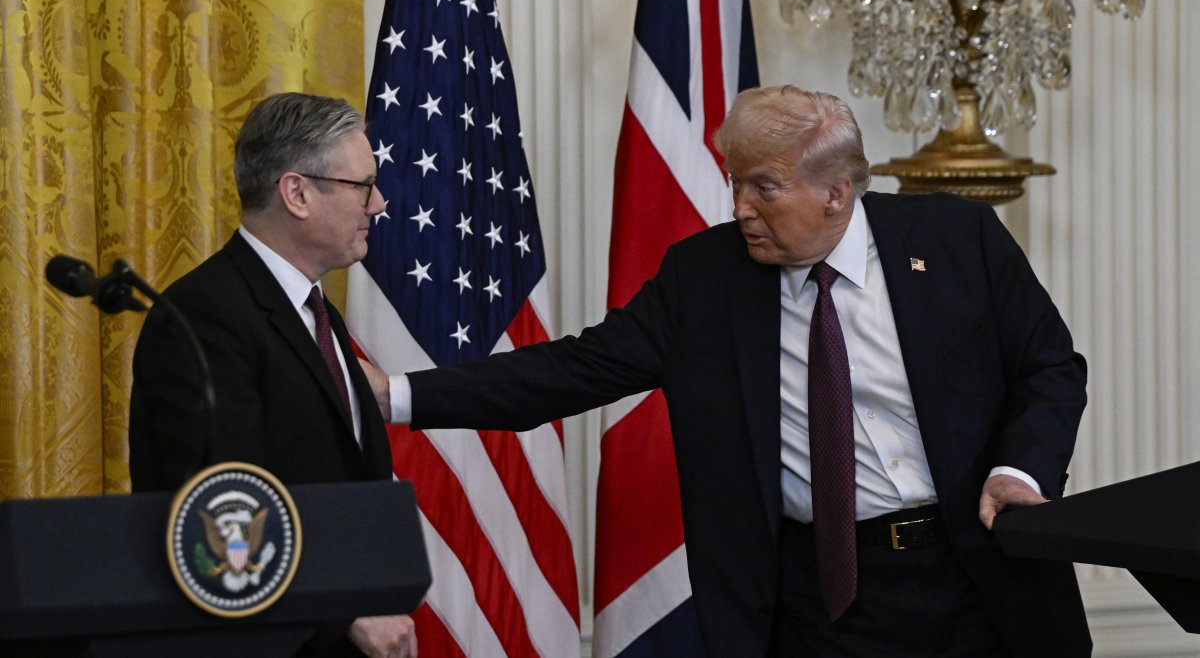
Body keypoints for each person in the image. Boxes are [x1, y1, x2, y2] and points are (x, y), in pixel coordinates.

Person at [360, 85, 1091, 656]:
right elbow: (574, 369)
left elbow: (1050, 367)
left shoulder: (955, 238)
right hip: (819, 604)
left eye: (764, 188)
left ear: (836, 190)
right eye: (735, 183)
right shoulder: (705, 278)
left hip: (979, 574)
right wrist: (395, 396)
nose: (739, 208)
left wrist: (1022, 471)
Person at [129, 92, 417, 658]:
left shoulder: (313, 309)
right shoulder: (203, 317)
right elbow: (222, 507)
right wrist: (345, 612)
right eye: (363, 185)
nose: (379, 204)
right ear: (297, 193)